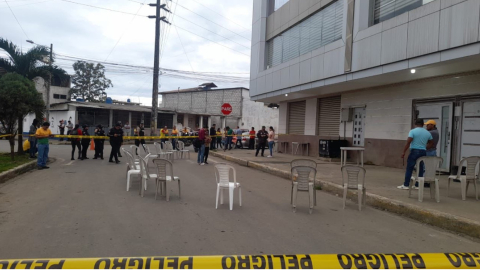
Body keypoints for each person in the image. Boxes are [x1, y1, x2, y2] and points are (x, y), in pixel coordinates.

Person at [398, 119, 433, 190]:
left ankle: (406, 184)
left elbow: (408, 142)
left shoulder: (412, 131)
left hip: (414, 151)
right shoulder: (427, 133)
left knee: (409, 168)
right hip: (423, 152)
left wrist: (403, 152)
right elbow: (431, 143)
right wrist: (426, 147)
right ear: (423, 124)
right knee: (420, 169)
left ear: (415, 124)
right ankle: (418, 185)